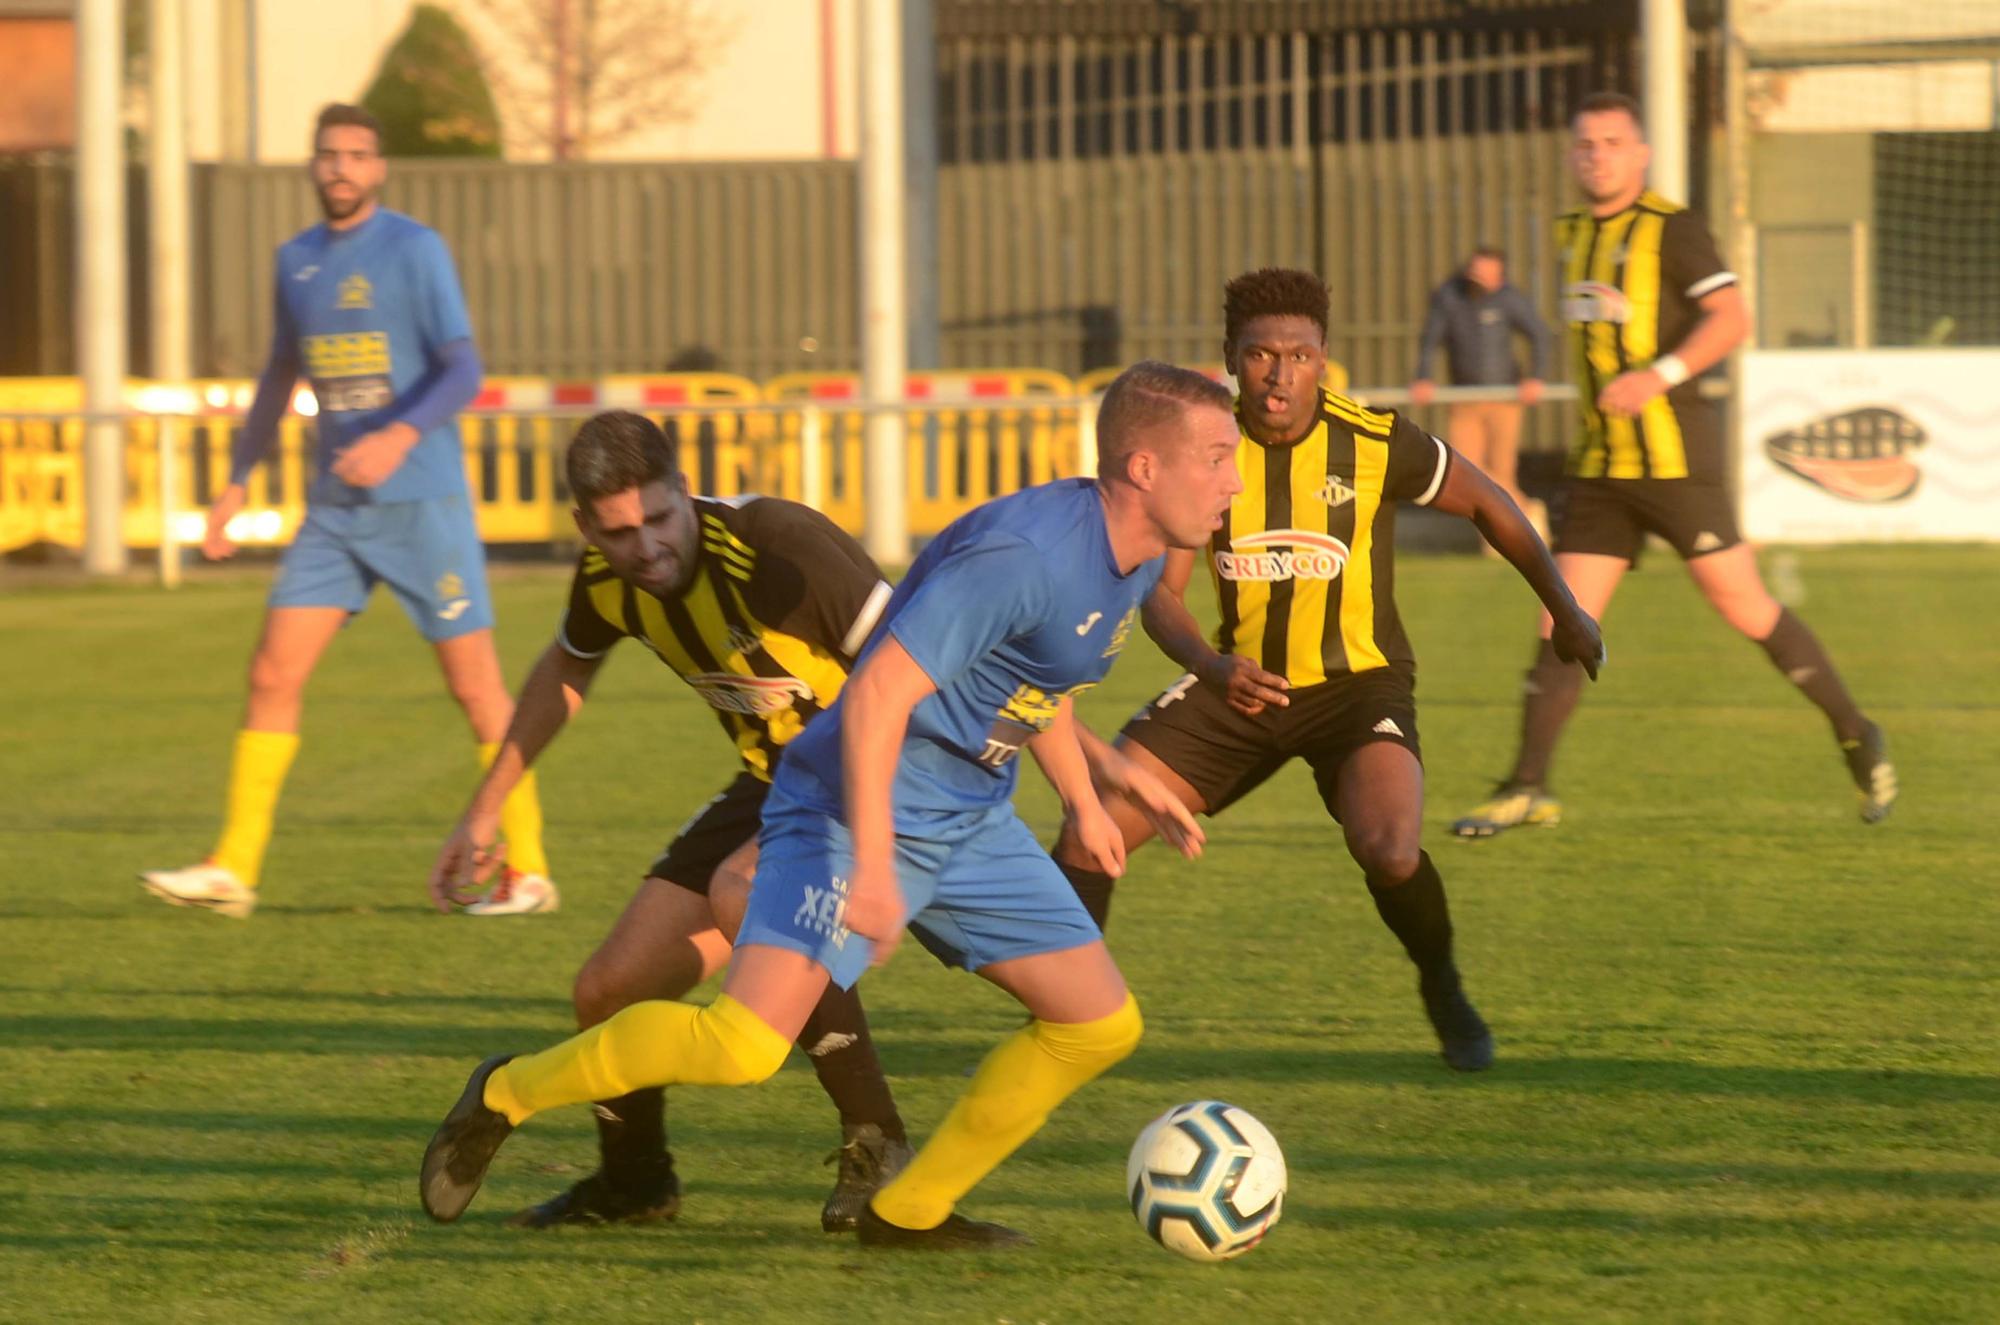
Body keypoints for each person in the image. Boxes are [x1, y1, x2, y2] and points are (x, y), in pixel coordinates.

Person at [418, 361, 1232, 1248]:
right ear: (1145, 468)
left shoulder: (1125, 553)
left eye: (659, 516)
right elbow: (882, 693)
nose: (1235, 477)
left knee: (1099, 1023)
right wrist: (878, 869)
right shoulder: (1030, 553)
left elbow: (1026, 669)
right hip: (849, 802)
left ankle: (904, 1209)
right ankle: (508, 1093)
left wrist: (1093, 784)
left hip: (965, 810)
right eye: (1219, 456)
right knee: (738, 1043)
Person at [1051, 268, 1604, 1073]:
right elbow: (1162, 596)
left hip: (1356, 687)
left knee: (1391, 850)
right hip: (1236, 685)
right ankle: (1068, 1018)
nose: (1280, 373)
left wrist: (1567, 606)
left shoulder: (1374, 441)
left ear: (1325, 358)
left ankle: (1441, 983)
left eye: (1300, 355)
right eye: (1261, 354)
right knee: (1089, 827)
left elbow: (1491, 502)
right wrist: (1211, 666)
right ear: (1231, 360)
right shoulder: (1201, 444)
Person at [428, 410, 912, 1231]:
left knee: (746, 891)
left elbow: (921, 659)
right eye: (619, 531)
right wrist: (485, 809)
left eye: (659, 517)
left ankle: (879, 1142)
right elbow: (566, 666)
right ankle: (635, 1184)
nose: (645, 545)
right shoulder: (605, 579)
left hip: (888, 774)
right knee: (608, 990)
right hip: (774, 783)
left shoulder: (779, 546)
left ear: (685, 491)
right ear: (586, 526)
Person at [139, 103, 552, 919]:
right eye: (329, 154)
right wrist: (233, 485)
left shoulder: (414, 249)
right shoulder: (295, 260)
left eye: (357, 155)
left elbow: (463, 370)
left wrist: (399, 435)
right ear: (312, 163)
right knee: (271, 671)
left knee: (476, 690)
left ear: (379, 168)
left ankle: (529, 871)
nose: (341, 168)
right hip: (334, 512)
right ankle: (235, 866)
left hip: (420, 505)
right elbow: (276, 378)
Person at [1452, 91, 1896, 838]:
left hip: (1675, 463)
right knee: (1564, 617)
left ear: (1641, 152)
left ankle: (1858, 732)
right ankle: (1527, 785)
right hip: (1599, 465)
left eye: (1612, 142)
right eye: (1585, 143)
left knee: (1743, 605)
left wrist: (1657, 374)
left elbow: (1733, 318)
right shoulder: (1567, 234)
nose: (1597, 155)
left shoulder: (1674, 229)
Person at [1409, 247, 1554, 530]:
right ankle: (1525, 510)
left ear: (1499, 275)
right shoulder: (1450, 297)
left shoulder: (1510, 299)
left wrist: (1536, 377)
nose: (1478, 278)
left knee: (1502, 468)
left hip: (1505, 399)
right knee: (1469, 466)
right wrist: (1423, 377)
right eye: (1474, 271)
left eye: (1486, 273)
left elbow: (1540, 334)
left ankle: (1504, 535)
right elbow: (1430, 339)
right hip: (1465, 397)